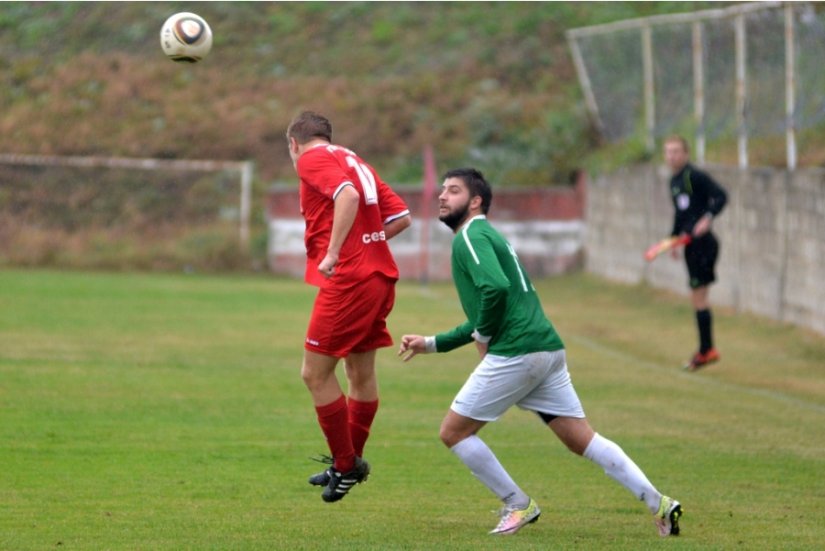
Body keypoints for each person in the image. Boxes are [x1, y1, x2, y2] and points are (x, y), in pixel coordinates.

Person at [398, 168, 681, 536]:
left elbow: (495, 291)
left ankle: (518, 504)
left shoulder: (469, 235)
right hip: (545, 349)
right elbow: (495, 305)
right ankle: (659, 503)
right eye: (443, 190)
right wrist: (433, 343)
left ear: (475, 201)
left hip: (518, 351)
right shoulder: (486, 236)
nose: (442, 196)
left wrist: (483, 334)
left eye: (453, 191)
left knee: (454, 432)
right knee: (582, 439)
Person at [286, 111, 411, 502]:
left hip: (351, 281)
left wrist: (337, 251)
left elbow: (348, 196)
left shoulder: (312, 158)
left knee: (315, 374)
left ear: (294, 144)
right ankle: (348, 461)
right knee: (359, 372)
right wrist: (367, 241)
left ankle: (345, 464)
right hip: (378, 276)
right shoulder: (353, 158)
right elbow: (401, 217)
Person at [663, 135, 728, 371]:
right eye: (668, 152)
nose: (672, 156)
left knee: (699, 297)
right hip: (690, 244)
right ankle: (705, 349)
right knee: (697, 298)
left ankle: (706, 350)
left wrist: (707, 218)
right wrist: (672, 241)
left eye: (676, 151)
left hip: (704, 244)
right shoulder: (674, 181)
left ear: (686, 153)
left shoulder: (694, 176)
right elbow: (681, 215)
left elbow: (721, 196)